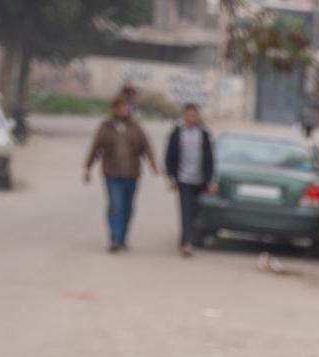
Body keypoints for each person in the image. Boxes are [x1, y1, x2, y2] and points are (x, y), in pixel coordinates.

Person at [83, 91, 150, 254]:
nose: (124, 110)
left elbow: (146, 146)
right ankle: (114, 238)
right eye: (120, 107)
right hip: (112, 173)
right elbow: (95, 147)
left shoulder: (135, 126)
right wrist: (88, 167)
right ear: (114, 109)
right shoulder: (106, 127)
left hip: (132, 173)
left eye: (126, 107)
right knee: (116, 205)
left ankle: (123, 238)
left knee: (128, 208)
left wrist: (153, 164)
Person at [164, 99, 218, 257]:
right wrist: (171, 177)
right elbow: (170, 157)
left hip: (200, 181)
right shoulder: (177, 133)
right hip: (183, 180)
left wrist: (210, 181)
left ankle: (186, 239)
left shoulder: (204, 134)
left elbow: (210, 159)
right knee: (186, 211)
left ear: (198, 116)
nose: (192, 118)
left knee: (196, 212)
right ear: (184, 115)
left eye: (194, 115)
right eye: (189, 115)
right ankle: (188, 243)